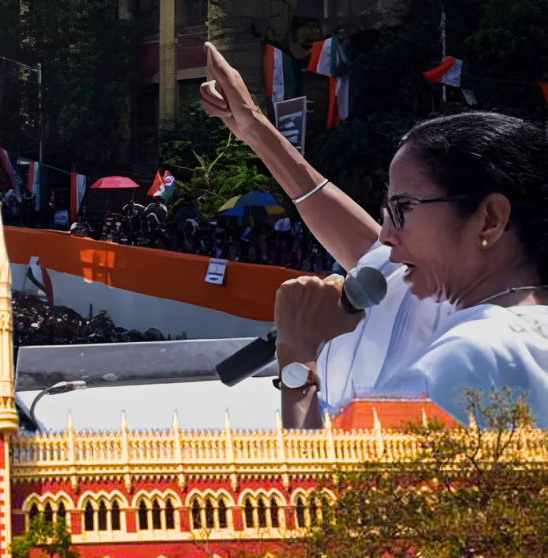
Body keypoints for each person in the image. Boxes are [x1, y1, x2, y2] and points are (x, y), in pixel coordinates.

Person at [201, 42, 548, 428]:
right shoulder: (501, 314)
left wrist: (298, 359)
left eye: (402, 210)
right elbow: (369, 252)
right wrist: (257, 130)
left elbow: (322, 486)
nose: (385, 234)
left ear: (489, 220)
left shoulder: (468, 361)